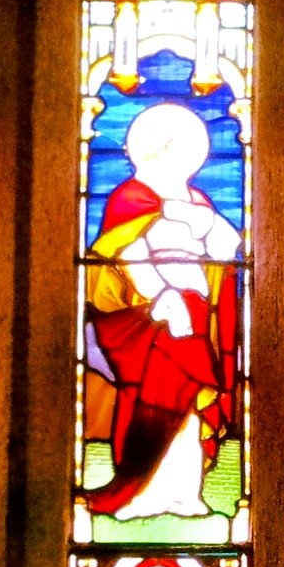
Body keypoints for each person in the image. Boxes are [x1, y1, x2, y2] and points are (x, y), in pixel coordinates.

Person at [84, 102, 240, 520]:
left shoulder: (198, 200)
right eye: (174, 149)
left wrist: (204, 223)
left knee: (190, 403)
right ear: (153, 151)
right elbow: (122, 253)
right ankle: (143, 493)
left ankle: (184, 493)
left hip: (196, 310)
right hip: (153, 320)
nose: (184, 159)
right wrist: (160, 297)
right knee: (151, 400)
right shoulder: (130, 197)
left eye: (190, 150)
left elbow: (227, 249)